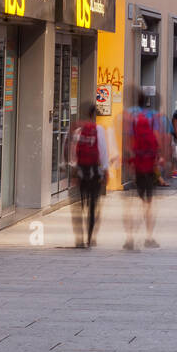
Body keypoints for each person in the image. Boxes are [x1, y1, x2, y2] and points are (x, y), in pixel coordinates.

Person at [123, 91, 161, 249]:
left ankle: (129, 238)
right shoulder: (153, 117)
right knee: (149, 204)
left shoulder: (130, 116)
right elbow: (157, 141)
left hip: (136, 165)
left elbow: (127, 143)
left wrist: (130, 162)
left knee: (132, 203)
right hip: (149, 166)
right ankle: (149, 237)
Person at [70, 103, 110, 247]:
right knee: (93, 206)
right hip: (95, 173)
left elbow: (73, 154)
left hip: (82, 172)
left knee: (80, 205)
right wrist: (105, 170)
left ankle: (79, 237)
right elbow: (103, 151)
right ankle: (90, 237)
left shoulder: (78, 130)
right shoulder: (99, 130)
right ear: (95, 115)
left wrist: (74, 173)